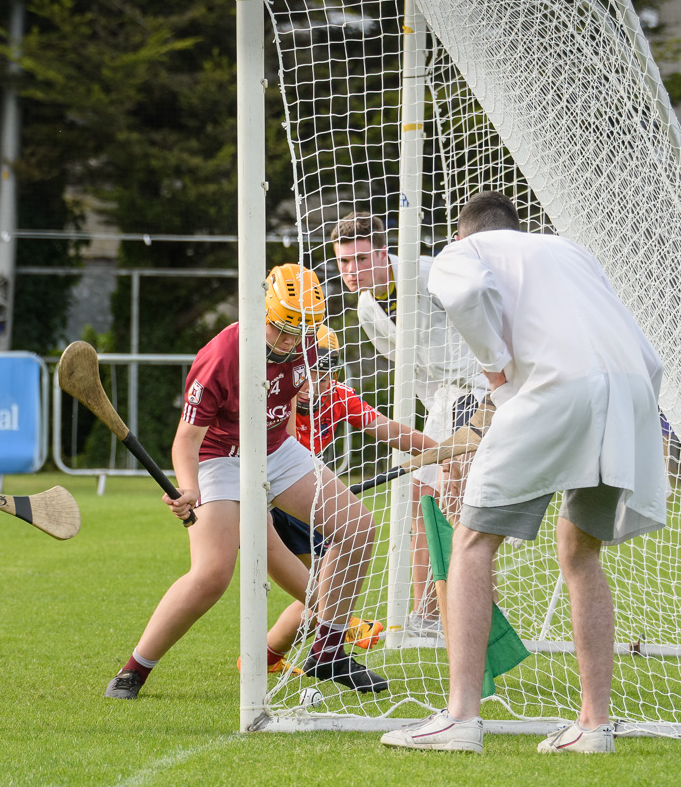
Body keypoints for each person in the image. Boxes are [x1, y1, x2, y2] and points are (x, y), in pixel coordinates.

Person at [380, 191, 666, 754]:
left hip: (555, 390)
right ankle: (594, 726)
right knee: (580, 549)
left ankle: (460, 718)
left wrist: (497, 373)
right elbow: (646, 354)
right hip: (633, 392)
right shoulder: (571, 252)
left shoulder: (464, 253)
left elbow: (464, 294)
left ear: (463, 234)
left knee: (470, 540)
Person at [105, 264, 388, 699]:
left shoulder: (307, 343)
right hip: (220, 457)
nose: (290, 343)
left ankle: (329, 651)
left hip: (275, 448)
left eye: (300, 332)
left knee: (359, 528)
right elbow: (186, 441)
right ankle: (134, 670)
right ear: (263, 312)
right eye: (281, 330)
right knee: (212, 574)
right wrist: (189, 487)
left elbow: (288, 402)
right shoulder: (222, 354)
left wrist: (288, 467)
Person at [332, 212, 486, 636]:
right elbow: (410, 370)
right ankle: (429, 615)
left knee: (458, 496)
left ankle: (473, 606)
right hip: (442, 400)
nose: (351, 271)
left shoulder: (429, 273)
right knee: (422, 497)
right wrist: (431, 422)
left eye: (361, 259)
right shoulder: (366, 308)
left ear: (383, 252)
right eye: (343, 262)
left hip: (480, 388)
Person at [261, 325, 437, 665]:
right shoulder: (275, 397)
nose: (315, 387)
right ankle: (343, 633)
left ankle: (265, 658)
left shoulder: (339, 396)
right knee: (324, 589)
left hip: (308, 500)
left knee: (323, 588)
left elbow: (387, 429)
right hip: (279, 503)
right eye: (308, 377)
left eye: (324, 377)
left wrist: (443, 449)